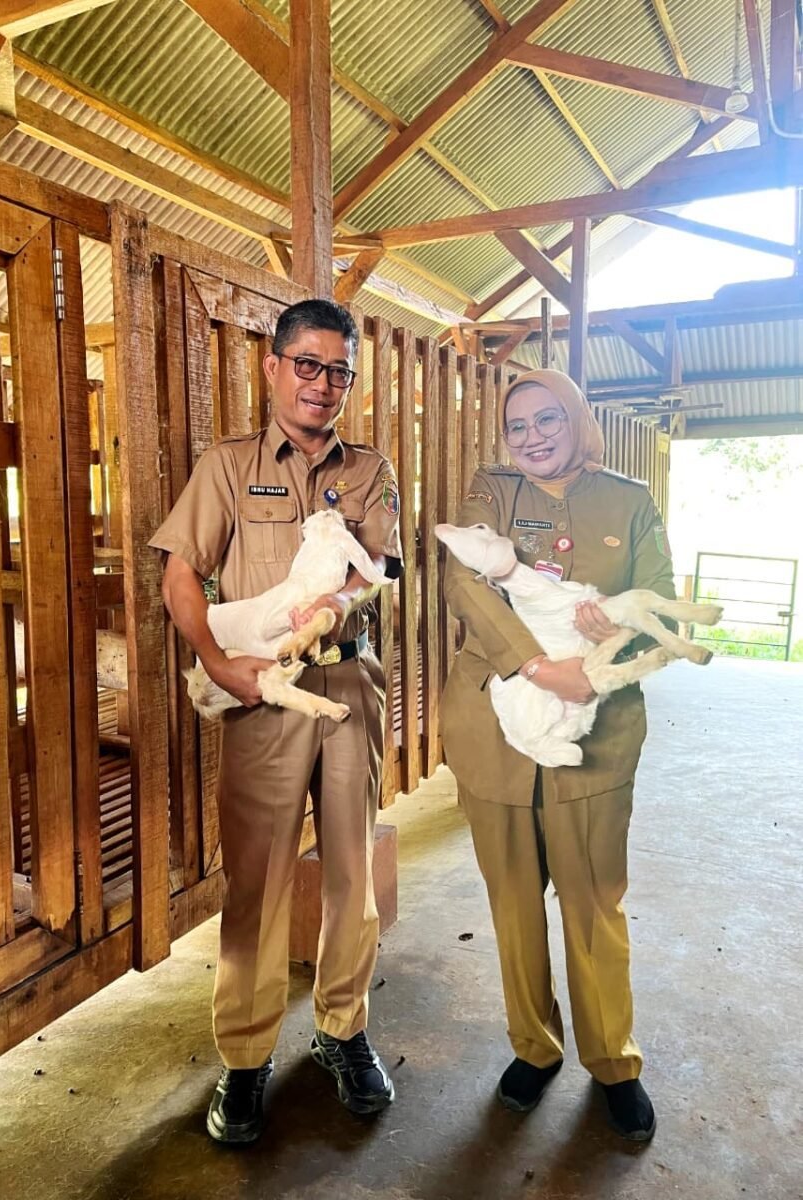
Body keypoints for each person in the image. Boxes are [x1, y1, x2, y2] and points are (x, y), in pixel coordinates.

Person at [149, 299, 402, 1146]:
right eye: (309, 365)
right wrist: (218, 663)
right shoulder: (228, 466)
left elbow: (375, 567)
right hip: (265, 693)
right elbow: (181, 573)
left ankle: (342, 1029)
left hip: (349, 685)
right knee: (256, 880)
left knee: (350, 871)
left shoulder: (369, 470)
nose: (323, 385)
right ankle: (247, 1056)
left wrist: (338, 604)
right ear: (274, 367)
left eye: (340, 372)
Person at [440, 368, 675, 1143]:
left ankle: (613, 1062)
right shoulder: (491, 491)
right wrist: (539, 666)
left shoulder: (629, 501)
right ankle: (534, 1048)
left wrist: (608, 650)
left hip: (597, 735)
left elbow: (659, 599)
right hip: (496, 728)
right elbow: (467, 582)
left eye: (549, 419)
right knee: (513, 903)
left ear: (578, 419)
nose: (533, 436)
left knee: (594, 901)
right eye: (518, 425)